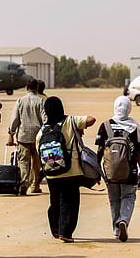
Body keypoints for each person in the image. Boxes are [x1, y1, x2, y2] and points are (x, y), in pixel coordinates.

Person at [35, 96, 96, 243]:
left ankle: (56, 230)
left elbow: (38, 151)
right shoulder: (70, 121)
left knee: (55, 202)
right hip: (71, 171)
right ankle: (65, 232)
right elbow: (91, 119)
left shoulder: (41, 132)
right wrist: (75, 124)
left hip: (51, 173)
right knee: (69, 202)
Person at [96, 96, 140, 242]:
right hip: (129, 171)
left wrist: (98, 170)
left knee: (114, 199)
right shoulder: (134, 127)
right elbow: (137, 153)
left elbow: (99, 150)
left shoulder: (105, 125)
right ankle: (123, 220)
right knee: (128, 197)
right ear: (128, 108)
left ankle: (117, 230)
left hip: (110, 172)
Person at [8, 77, 46, 195]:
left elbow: (15, 119)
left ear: (27, 87)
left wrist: (11, 133)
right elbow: (45, 119)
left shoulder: (20, 100)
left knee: (23, 161)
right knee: (36, 162)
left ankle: (24, 183)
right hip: (37, 136)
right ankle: (35, 185)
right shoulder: (40, 101)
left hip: (23, 136)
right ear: (36, 88)